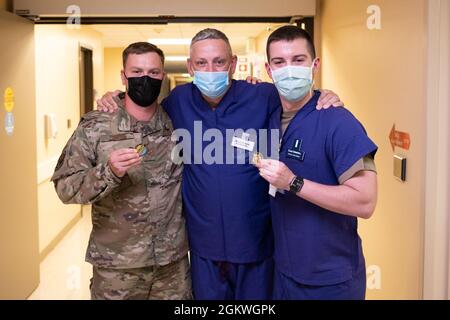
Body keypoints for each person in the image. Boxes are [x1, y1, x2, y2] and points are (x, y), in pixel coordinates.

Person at [97, 28, 343, 300]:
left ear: (233, 64)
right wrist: (116, 97)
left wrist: (325, 94)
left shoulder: (262, 96)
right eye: (201, 63)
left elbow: (299, 97)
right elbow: (142, 108)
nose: (210, 70)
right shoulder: (178, 102)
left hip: (255, 244)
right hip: (204, 247)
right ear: (190, 67)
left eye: (219, 62)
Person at [51, 42, 191, 300]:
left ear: (162, 75)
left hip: (172, 268)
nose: (145, 79)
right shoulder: (97, 126)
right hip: (117, 267)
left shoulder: (176, 122)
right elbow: (65, 187)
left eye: (153, 72)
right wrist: (109, 172)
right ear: (123, 76)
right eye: (136, 72)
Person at [255, 25, 378, 300]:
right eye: (279, 62)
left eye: (298, 60)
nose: (289, 69)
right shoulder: (270, 118)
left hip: (330, 280)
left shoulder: (338, 121)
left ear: (315, 64)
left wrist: (294, 183)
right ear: (268, 69)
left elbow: (365, 202)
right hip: (285, 273)